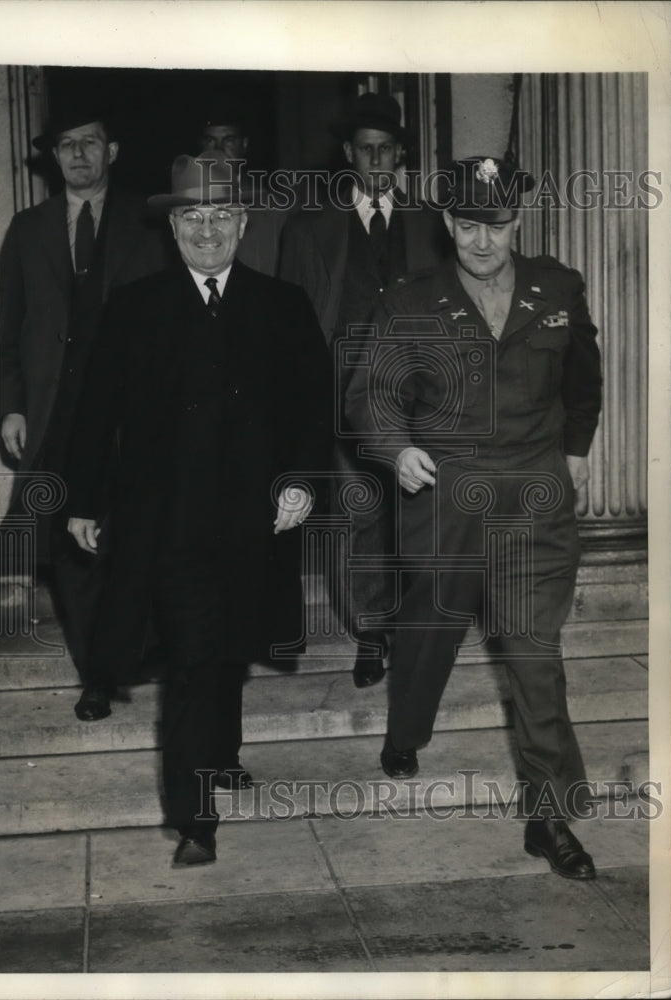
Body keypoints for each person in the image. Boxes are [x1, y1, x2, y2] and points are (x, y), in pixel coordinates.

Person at [65, 153, 332, 867]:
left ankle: (221, 753)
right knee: (189, 658)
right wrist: (83, 502)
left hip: (254, 518)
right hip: (167, 519)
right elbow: (94, 413)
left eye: (219, 216)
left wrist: (301, 483)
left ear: (242, 223)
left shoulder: (282, 305)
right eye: (191, 217)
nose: (206, 231)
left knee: (230, 644)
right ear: (171, 228)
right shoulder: (134, 306)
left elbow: (311, 410)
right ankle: (195, 816)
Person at [345, 156, 602, 880]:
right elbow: (372, 397)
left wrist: (574, 450)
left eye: (493, 224)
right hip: (445, 495)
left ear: (514, 219)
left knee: (533, 657)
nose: (480, 240)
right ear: (445, 223)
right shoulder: (408, 302)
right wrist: (395, 451)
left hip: (532, 499)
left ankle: (547, 818)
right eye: (465, 225)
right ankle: (405, 733)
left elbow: (582, 379)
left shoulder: (557, 287)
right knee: (429, 635)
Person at [0, 107, 166, 722]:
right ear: (54, 157)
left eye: (89, 143)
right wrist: (11, 408)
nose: (78, 155)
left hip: (131, 410)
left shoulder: (151, 222)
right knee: (69, 549)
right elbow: (9, 330)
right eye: (66, 146)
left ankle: (136, 651)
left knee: (131, 534)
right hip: (56, 413)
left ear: (111, 150)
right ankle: (96, 673)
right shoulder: (27, 229)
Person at [280, 92, 446, 688]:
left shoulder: (434, 222)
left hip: (421, 395)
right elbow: (292, 325)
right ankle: (372, 633)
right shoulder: (308, 229)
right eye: (365, 150)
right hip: (343, 394)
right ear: (349, 154)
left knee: (421, 515)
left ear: (400, 154)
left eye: (386, 150)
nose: (376, 160)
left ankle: (420, 630)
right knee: (358, 514)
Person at [198, 109, 287, 276]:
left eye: (228, 141)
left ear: (244, 145)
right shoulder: (182, 208)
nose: (218, 150)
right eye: (210, 141)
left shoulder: (275, 210)